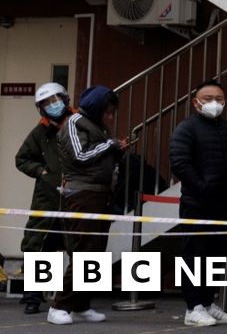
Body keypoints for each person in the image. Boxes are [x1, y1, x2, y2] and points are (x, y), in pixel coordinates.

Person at [50, 85, 128, 326]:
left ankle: (81, 306)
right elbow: (80, 156)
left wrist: (116, 151)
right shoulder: (75, 122)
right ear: (96, 108)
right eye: (108, 112)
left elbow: (99, 157)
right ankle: (58, 306)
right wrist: (110, 145)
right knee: (84, 251)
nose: (111, 117)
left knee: (96, 252)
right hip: (82, 193)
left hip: (100, 193)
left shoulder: (98, 127)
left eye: (113, 113)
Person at [169, 79, 227, 327]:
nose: (214, 103)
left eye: (219, 99)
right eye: (208, 98)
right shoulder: (186, 129)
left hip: (224, 204)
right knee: (194, 255)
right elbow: (180, 164)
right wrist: (202, 188)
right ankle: (193, 308)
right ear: (196, 103)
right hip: (197, 204)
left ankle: (208, 303)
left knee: (216, 255)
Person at [16, 83, 72, 315]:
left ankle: (79, 300)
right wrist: (41, 171)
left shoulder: (80, 124)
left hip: (76, 199)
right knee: (39, 245)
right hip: (46, 199)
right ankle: (33, 297)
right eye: (46, 103)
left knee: (81, 246)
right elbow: (22, 159)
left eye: (55, 100)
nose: (52, 106)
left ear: (65, 99)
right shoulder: (40, 132)